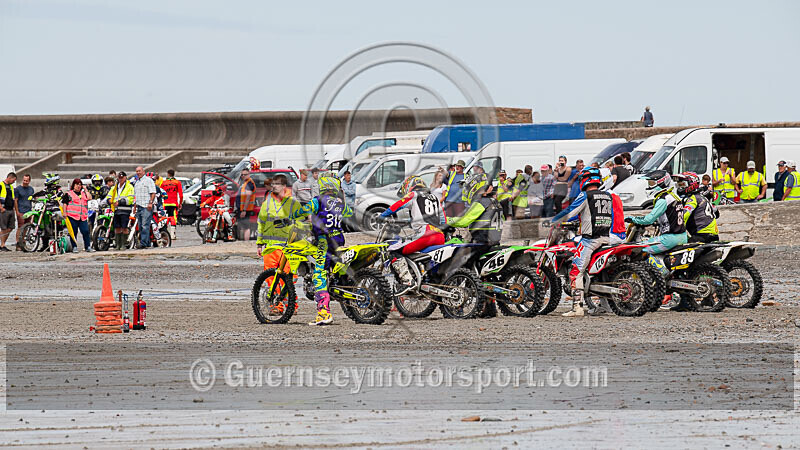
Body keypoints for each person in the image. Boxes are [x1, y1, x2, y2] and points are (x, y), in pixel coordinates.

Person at [284, 176, 353, 326]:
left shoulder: (318, 200)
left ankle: (323, 312)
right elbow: (348, 213)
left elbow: (304, 210)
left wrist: (290, 217)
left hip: (324, 241)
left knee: (318, 274)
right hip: (339, 239)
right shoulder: (340, 203)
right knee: (334, 269)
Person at [548, 168, 615, 317]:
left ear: (585, 179)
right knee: (600, 273)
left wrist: (553, 221)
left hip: (590, 240)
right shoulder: (607, 196)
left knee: (575, 272)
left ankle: (577, 308)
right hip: (606, 238)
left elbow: (570, 211)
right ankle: (604, 305)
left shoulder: (585, 195)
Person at [380, 176, 445, 285]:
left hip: (425, 234)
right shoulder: (435, 198)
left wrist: (383, 215)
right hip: (439, 235)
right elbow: (443, 219)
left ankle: (408, 282)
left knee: (392, 250)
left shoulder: (414, 195)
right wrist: (411, 221)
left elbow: (399, 204)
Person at [626, 170, 688, 274]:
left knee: (639, 249)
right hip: (682, 235)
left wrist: (633, 219)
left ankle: (662, 272)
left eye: (651, 183)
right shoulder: (673, 197)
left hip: (670, 238)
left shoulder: (663, 200)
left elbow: (649, 219)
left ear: (661, 182)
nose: (649, 186)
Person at [257, 174, 303, 272]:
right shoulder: (267, 203)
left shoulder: (294, 203)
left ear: (284, 186)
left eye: (277, 184)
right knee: (270, 278)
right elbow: (261, 223)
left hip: (288, 247)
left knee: (287, 278)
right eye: (273, 184)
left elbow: (301, 224)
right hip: (270, 247)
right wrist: (259, 244)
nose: (274, 186)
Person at [674, 172, 719, 243]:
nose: (680, 188)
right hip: (713, 235)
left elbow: (684, 215)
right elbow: (717, 213)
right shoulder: (702, 197)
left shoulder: (692, 199)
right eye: (678, 185)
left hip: (702, 236)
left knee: (677, 246)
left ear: (692, 184)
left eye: (682, 184)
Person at [105, 171, 135, 250]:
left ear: (125, 178)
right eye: (119, 177)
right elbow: (109, 196)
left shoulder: (129, 187)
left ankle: (123, 244)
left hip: (125, 210)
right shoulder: (114, 187)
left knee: (124, 227)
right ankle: (118, 244)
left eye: (122, 177)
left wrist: (120, 202)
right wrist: (110, 201)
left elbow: (131, 199)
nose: (120, 179)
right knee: (117, 227)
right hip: (116, 210)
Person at [63, 178, 93, 252]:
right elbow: (65, 203)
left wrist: (85, 190)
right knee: (73, 232)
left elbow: (89, 198)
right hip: (72, 216)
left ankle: (87, 246)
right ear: (73, 185)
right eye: (77, 184)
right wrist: (64, 212)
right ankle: (74, 247)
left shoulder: (83, 194)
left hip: (82, 216)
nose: (78, 186)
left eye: (80, 185)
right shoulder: (69, 193)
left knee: (85, 231)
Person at [133, 167, 157, 249]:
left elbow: (153, 192)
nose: (138, 172)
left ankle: (143, 243)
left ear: (143, 171)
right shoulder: (137, 182)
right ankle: (146, 242)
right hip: (139, 206)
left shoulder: (148, 180)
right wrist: (135, 206)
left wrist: (150, 203)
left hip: (146, 206)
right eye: (137, 171)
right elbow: (136, 196)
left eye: (139, 171)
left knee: (145, 225)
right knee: (140, 226)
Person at [160, 169, 183, 240]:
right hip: (174, 203)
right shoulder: (177, 182)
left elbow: (160, 193)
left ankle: (165, 233)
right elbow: (181, 195)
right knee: (173, 218)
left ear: (168, 174)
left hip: (165, 204)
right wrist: (180, 203)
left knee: (164, 218)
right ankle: (173, 235)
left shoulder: (163, 183)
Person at [13, 174, 34, 251]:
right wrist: (17, 211)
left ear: (29, 181)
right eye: (24, 180)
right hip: (21, 210)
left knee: (26, 227)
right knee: (20, 227)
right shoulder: (18, 189)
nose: (25, 182)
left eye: (27, 181)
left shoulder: (31, 189)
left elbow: (32, 199)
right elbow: (15, 200)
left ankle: (23, 241)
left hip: (28, 210)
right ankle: (18, 243)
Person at [236, 168, 257, 240]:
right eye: (242, 175)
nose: (243, 176)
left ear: (249, 174)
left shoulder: (249, 183)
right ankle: (244, 241)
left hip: (245, 209)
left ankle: (246, 242)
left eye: (245, 174)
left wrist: (244, 210)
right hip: (242, 209)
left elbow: (248, 198)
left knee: (246, 227)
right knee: (243, 226)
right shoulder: (245, 183)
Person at [0, 172, 18, 252]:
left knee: (11, 227)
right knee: (4, 227)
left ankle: (3, 243)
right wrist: (1, 208)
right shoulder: (1, 185)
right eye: (13, 180)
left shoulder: (11, 187)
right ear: (10, 178)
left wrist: (14, 209)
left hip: (11, 209)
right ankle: (2, 245)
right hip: (4, 209)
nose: (14, 182)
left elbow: (13, 199)